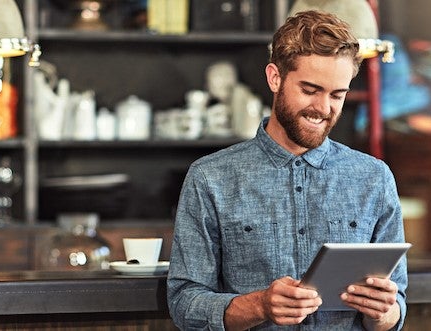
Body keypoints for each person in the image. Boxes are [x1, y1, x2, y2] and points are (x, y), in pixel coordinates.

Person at [167, 10, 408, 331]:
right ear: (275, 78)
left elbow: (396, 308)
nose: (323, 109)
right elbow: (184, 303)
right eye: (310, 90)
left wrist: (383, 312)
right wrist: (259, 304)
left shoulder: (374, 178)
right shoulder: (210, 178)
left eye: (337, 95)